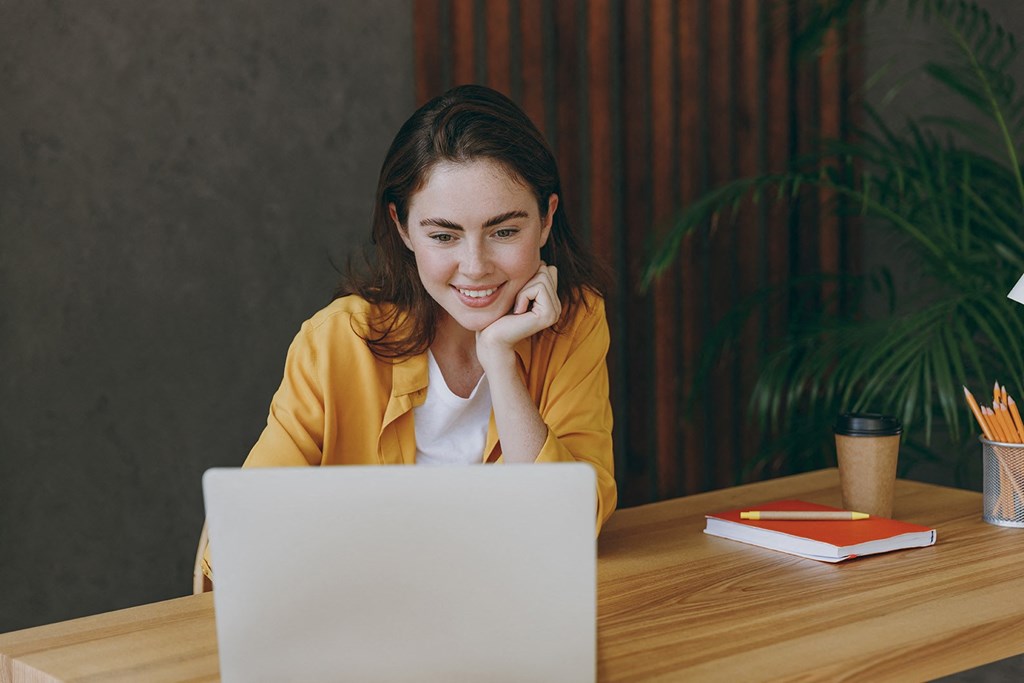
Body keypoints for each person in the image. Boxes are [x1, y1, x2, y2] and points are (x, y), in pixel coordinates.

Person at [201, 84, 616, 581]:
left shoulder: (575, 322)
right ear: (402, 229)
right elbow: (240, 531)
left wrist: (500, 359)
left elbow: (569, 525)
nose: (475, 266)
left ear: (547, 220)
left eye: (505, 231)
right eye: (443, 236)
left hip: (511, 610)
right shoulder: (337, 340)